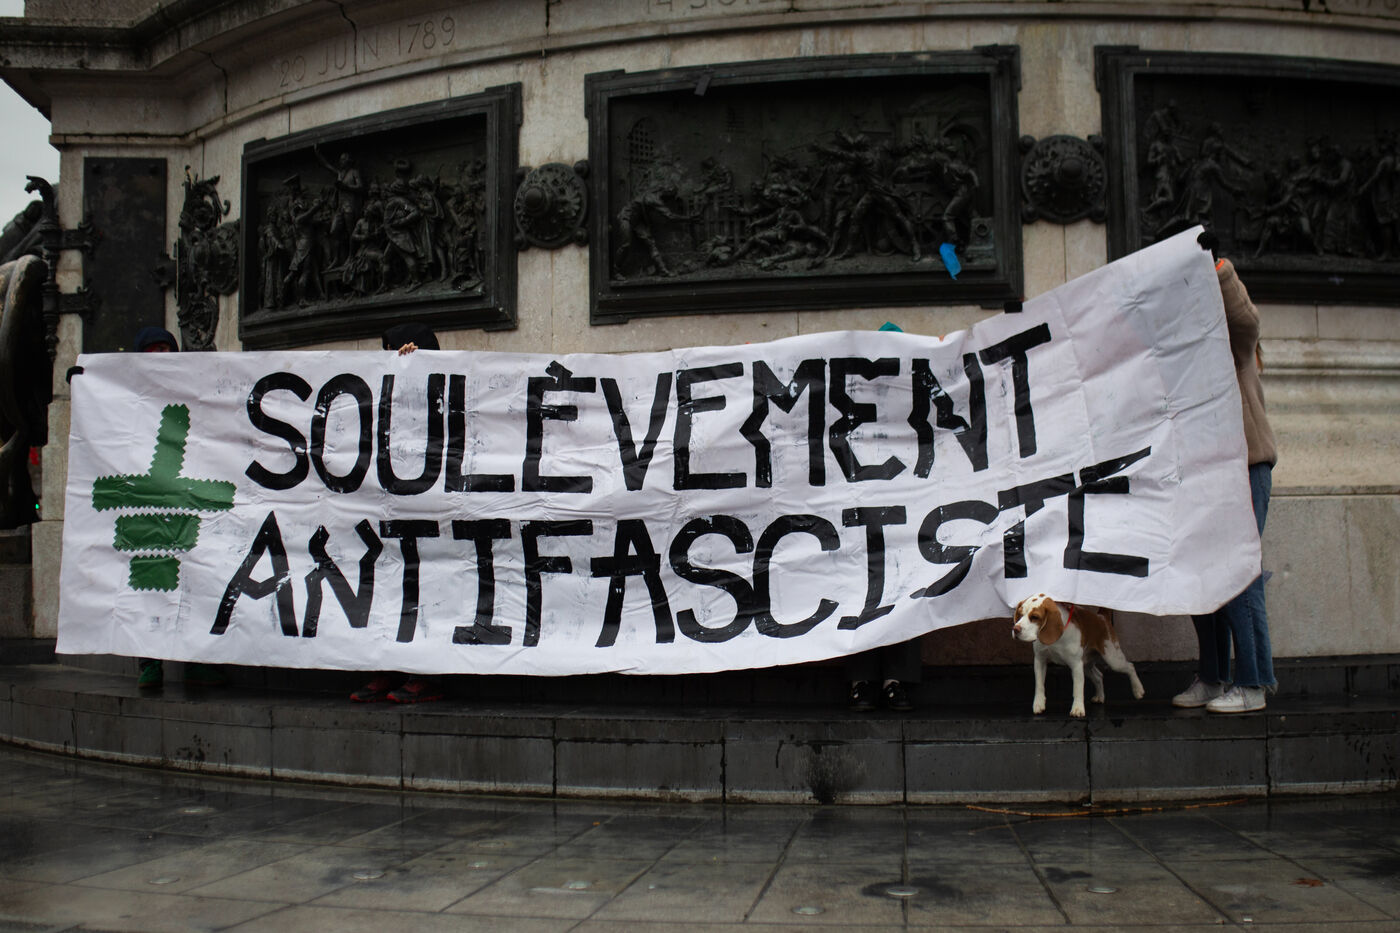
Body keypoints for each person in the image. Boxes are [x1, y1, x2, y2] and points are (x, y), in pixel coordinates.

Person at [1173, 246, 1278, 714]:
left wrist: (1217, 269)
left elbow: (1245, 319)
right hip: (1205, 473)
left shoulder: (1235, 345)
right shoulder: (1191, 351)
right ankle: (1214, 676)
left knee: (1239, 575)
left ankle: (1253, 683)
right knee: (1205, 578)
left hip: (1245, 467)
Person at [350, 322, 446, 703]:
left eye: (397, 351)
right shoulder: (384, 392)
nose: (390, 358)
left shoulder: (441, 389)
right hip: (393, 508)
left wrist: (419, 366)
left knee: (426, 590)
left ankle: (424, 673)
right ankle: (388, 666)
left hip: (429, 512)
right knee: (390, 588)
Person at [130, 326, 228, 689]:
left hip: (188, 502)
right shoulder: (128, 394)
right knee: (151, 582)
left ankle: (196, 661)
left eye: (165, 348)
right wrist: (85, 382)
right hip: (149, 503)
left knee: (195, 579)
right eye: (152, 349)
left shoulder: (193, 386)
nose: (161, 355)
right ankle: (149, 663)